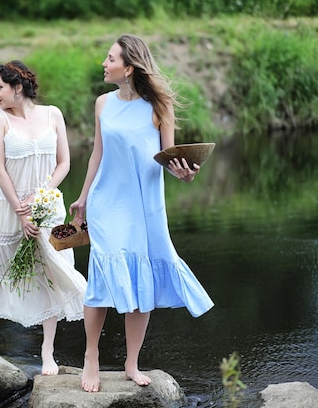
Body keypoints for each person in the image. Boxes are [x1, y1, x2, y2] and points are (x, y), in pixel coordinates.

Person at [68, 35, 215, 391]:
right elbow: (96, 155)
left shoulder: (159, 106)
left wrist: (183, 172)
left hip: (144, 208)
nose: (104, 63)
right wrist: (83, 199)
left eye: (110, 58)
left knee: (141, 282)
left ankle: (131, 362)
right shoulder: (103, 103)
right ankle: (91, 356)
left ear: (129, 67)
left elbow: (169, 158)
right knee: (102, 277)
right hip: (106, 203)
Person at [0, 60, 87, 375]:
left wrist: (41, 195)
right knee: (1, 269)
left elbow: (64, 163)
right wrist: (20, 210)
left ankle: (48, 350)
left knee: (53, 271)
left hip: (50, 207)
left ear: (17, 88)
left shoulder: (53, 114)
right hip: (10, 208)